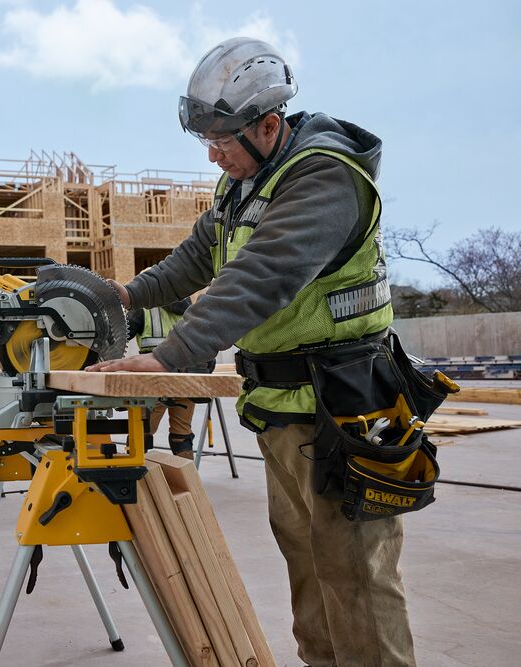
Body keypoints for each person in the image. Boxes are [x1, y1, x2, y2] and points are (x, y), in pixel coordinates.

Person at [88, 37, 413, 666]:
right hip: (285, 408)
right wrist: (123, 296)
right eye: (206, 142)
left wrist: (167, 358)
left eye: (223, 142)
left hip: (343, 406)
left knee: (354, 574)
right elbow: (195, 258)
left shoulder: (324, 177)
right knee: (308, 565)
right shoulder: (246, 183)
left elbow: (260, 275)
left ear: (269, 125)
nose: (213, 156)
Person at [127, 297, 215, 458]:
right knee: (181, 434)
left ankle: (137, 477)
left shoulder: (144, 308)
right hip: (187, 381)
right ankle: (186, 479)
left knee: (140, 432)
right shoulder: (191, 308)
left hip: (155, 382)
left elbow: (119, 336)